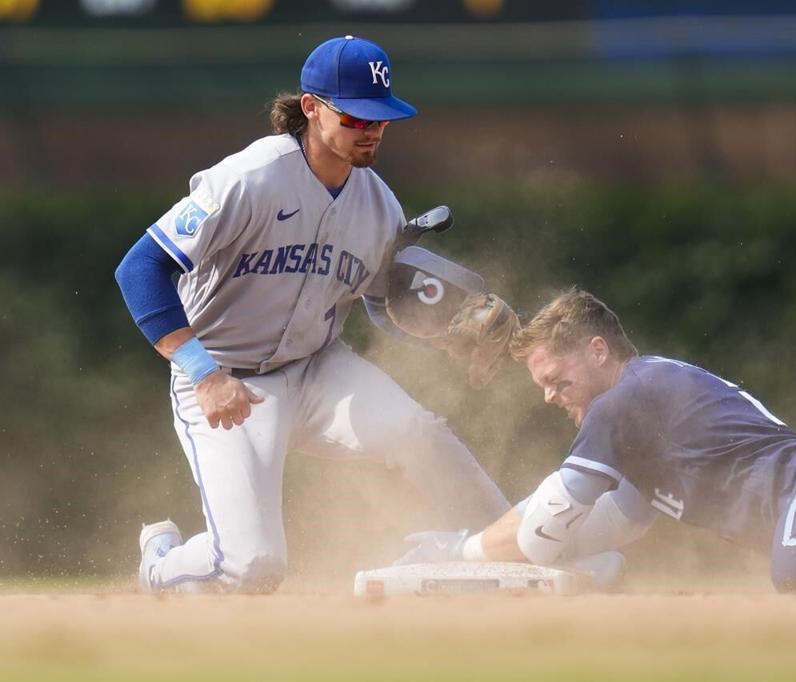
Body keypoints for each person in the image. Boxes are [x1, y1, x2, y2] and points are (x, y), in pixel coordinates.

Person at [115, 35, 510, 593]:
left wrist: (444, 337)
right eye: (355, 117)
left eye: (381, 117)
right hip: (228, 381)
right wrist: (203, 373)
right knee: (251, 569)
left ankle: (515, 541)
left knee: (421, 435)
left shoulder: (379, 204)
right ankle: (160, 560)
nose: (370, 129)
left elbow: (379, 303)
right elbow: (139, 268)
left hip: (319, 369)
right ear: (310, 108)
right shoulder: (249, 178)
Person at [397, 288, 796, 593]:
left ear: (598, 351)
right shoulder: (643, 425)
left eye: (557, 379)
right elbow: (583, 528)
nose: (549, 396)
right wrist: (479, 552)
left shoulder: (622, 400)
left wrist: (464, 550)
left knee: (795, 562)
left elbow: (546, 523)